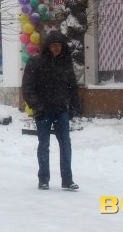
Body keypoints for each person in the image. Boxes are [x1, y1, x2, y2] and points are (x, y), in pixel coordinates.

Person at [21, 30, 79, 191]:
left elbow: (72, 87)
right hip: (43, 110)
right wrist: (36, 106)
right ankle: (43, 179)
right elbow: (27, 87)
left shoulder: (65, 63)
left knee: (65, 144)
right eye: (54, 45)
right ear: (47, 46)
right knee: (44, 144)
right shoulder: (35, 62)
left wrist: (74, 106)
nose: (57, 48)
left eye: (59, 45)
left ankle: (67, 180)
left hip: (61, 109)